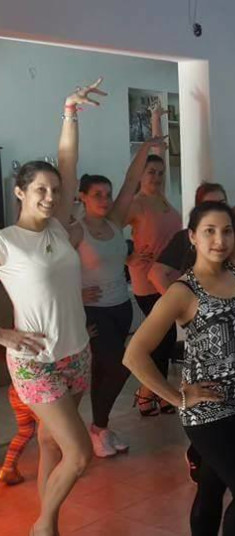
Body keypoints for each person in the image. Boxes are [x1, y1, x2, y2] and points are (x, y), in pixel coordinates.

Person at [123, 113, 235, 536]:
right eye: (210, 232)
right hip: (206, 410)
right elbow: (134, 354)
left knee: (212, 489)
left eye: (227, 232)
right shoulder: (184, 290)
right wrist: (177, 396)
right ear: (193, 237)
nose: (220, 240)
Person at [0, 78, 106, 536]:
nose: (50, 197)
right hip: (35, 362)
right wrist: (2, 334)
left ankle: (51, 525)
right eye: (40, 189)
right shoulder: (6, 242)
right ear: (20, 192)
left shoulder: (59, 228)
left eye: (56, 191)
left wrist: (70, 111)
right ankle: (42, 527)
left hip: (77, 353)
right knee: (79, 455)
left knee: (50, 443)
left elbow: (68, 160)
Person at [75, 137, 166, 458]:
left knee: (105, 369)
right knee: (120, 365)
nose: (105, 199)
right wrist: (75, 293)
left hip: (121, 308)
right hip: (94, 311)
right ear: (82, 197)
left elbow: (131, 181)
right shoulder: (76, 231)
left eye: (108, 194)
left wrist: (146, 147)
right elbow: (54, 269)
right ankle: (98, 427)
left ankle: (100, 429)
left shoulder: (114, 222)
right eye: (97, 194)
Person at [125, 101, 183, 416]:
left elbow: (158, 151)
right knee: (162, 338)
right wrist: (129, 256)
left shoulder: (160, 197)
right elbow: (107, 232)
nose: (157, 176)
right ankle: (150, 394)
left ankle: (151, 394)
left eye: (160, 172)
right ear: (140, 174)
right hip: (147, 281)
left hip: (168, 277)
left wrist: (156, 119)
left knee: (164, 338)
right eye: (151, 172)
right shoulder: (136, 203)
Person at [149, 182, 229, 295]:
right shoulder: (185, 237)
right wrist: (177, 302)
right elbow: (156, 273)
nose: (217, 210)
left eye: (222, 204)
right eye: (209, 206)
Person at [0, 385, 37, 485]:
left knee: (24, 432)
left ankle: (8, 467)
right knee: (51, 431)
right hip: (36, 394)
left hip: (16, 392)